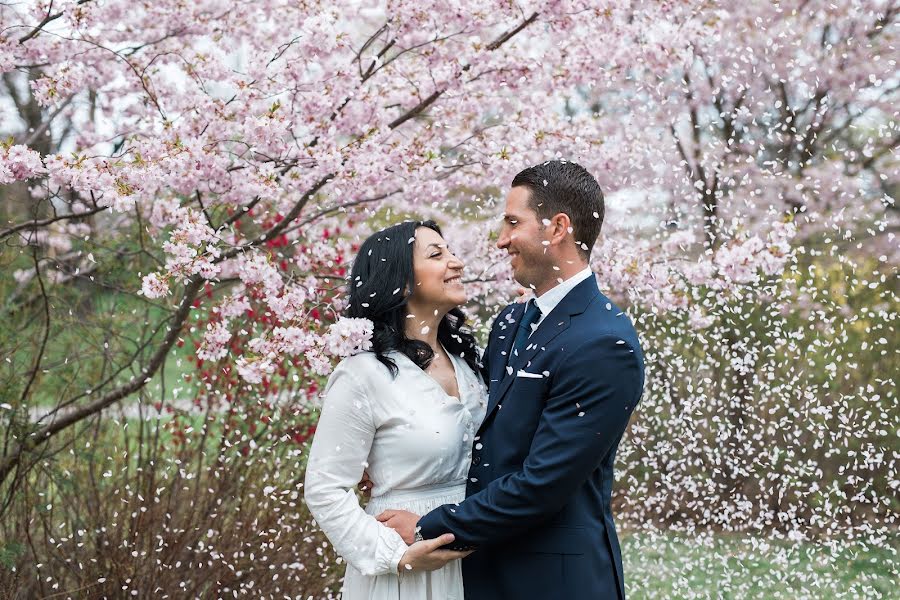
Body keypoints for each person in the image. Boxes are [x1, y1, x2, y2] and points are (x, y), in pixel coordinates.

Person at [377, 160, 646, 599]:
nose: (502, 240)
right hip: (481, 573)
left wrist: (428, 524)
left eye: (512, 223)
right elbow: (477, 422)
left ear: (557, 228)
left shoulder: (604, 342)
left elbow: (542, 485)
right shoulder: (512, 320)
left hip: (554, 583)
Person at [303, 219, 486, 599]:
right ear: (401, 282)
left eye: (450, 251)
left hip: (478, 552)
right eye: (437, 255)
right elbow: (324, 488)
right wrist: (397, 556)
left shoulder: (470, 366)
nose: (457, 263)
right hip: (406, 563)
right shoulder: (363, 374)